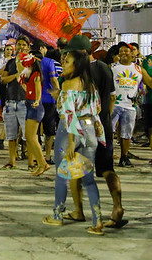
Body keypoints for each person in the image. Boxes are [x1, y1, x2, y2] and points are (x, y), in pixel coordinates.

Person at [65, 35, 127, 229]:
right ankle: (117, 207)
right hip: (103, 127)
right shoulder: (105, 68)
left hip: (85, 128)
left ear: (82, 53)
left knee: (78, 171)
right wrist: (104, 120)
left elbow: (72, 108)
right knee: (108, 169)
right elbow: (111, 98)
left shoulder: (81, 74)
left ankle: (80, 211)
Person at [42, 47, 104, 236]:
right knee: (89, 180)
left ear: (76, 65)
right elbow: (97, 110)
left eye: (67, 62)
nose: (63, 65)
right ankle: (98, 221)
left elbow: (69, 115)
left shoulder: (70, 84)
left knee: (62, 176)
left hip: (70, 132)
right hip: (90, 131)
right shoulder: (90, 84)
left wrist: (70, 142)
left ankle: (57, 215)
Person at [0, 36, 30, 169]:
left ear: (28, 47)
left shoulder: (32, 62)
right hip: (10, 102)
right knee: (11, 135)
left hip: (25, 102)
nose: (21, 47)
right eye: (19, 44)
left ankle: (31, 162)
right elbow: (2, 79)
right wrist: (16, 76)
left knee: (29, 135)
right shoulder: (10, 63)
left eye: (24, 45)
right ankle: (12, 161)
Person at [111, 42, 142, 167]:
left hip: (130, 106)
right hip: (114, 105)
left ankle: (124, 157)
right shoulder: (112, 67)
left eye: (126, 51)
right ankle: (107, 156)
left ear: (132, 53)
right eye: (121, 51)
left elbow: (149, 81)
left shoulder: (138, 69)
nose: (123, 53)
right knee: (108, 131)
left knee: (127, 134)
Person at [21, 51, 49, 175]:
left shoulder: (37, 74)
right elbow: (30, 89)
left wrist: (37, 100)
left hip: (34, 106)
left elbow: (38, 91)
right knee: (29, 137)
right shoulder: (31, 75)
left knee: (32, 137)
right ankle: (41, 163)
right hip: (30, 103)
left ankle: (43, 163)